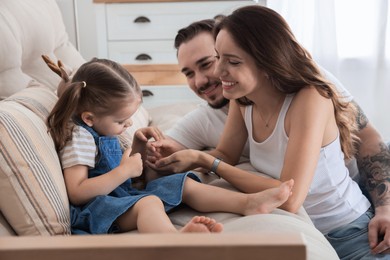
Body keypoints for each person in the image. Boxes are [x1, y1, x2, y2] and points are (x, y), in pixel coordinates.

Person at [147, 6, 389, 259]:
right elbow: (225, 155)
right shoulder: (242, 99)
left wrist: (206, 160)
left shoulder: (310, 97)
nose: (218, 73)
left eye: (233, 61)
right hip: (305, 233)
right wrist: (182, 155)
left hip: (351, 232)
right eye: (218, 57)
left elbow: (290, 199)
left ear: (267, 61)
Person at [45, 57, 294, 235]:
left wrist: (138, 146)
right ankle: (175, 243)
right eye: (121, 121)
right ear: (89, 117)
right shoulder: (80, 138)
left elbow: (128, 177)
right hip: (97, 213)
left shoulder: (98, 128)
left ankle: (248, 203)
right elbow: (77, 192)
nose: (128, 123)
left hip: (119, 199)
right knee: (149, 204)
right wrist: (124, 171)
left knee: (181, 183)